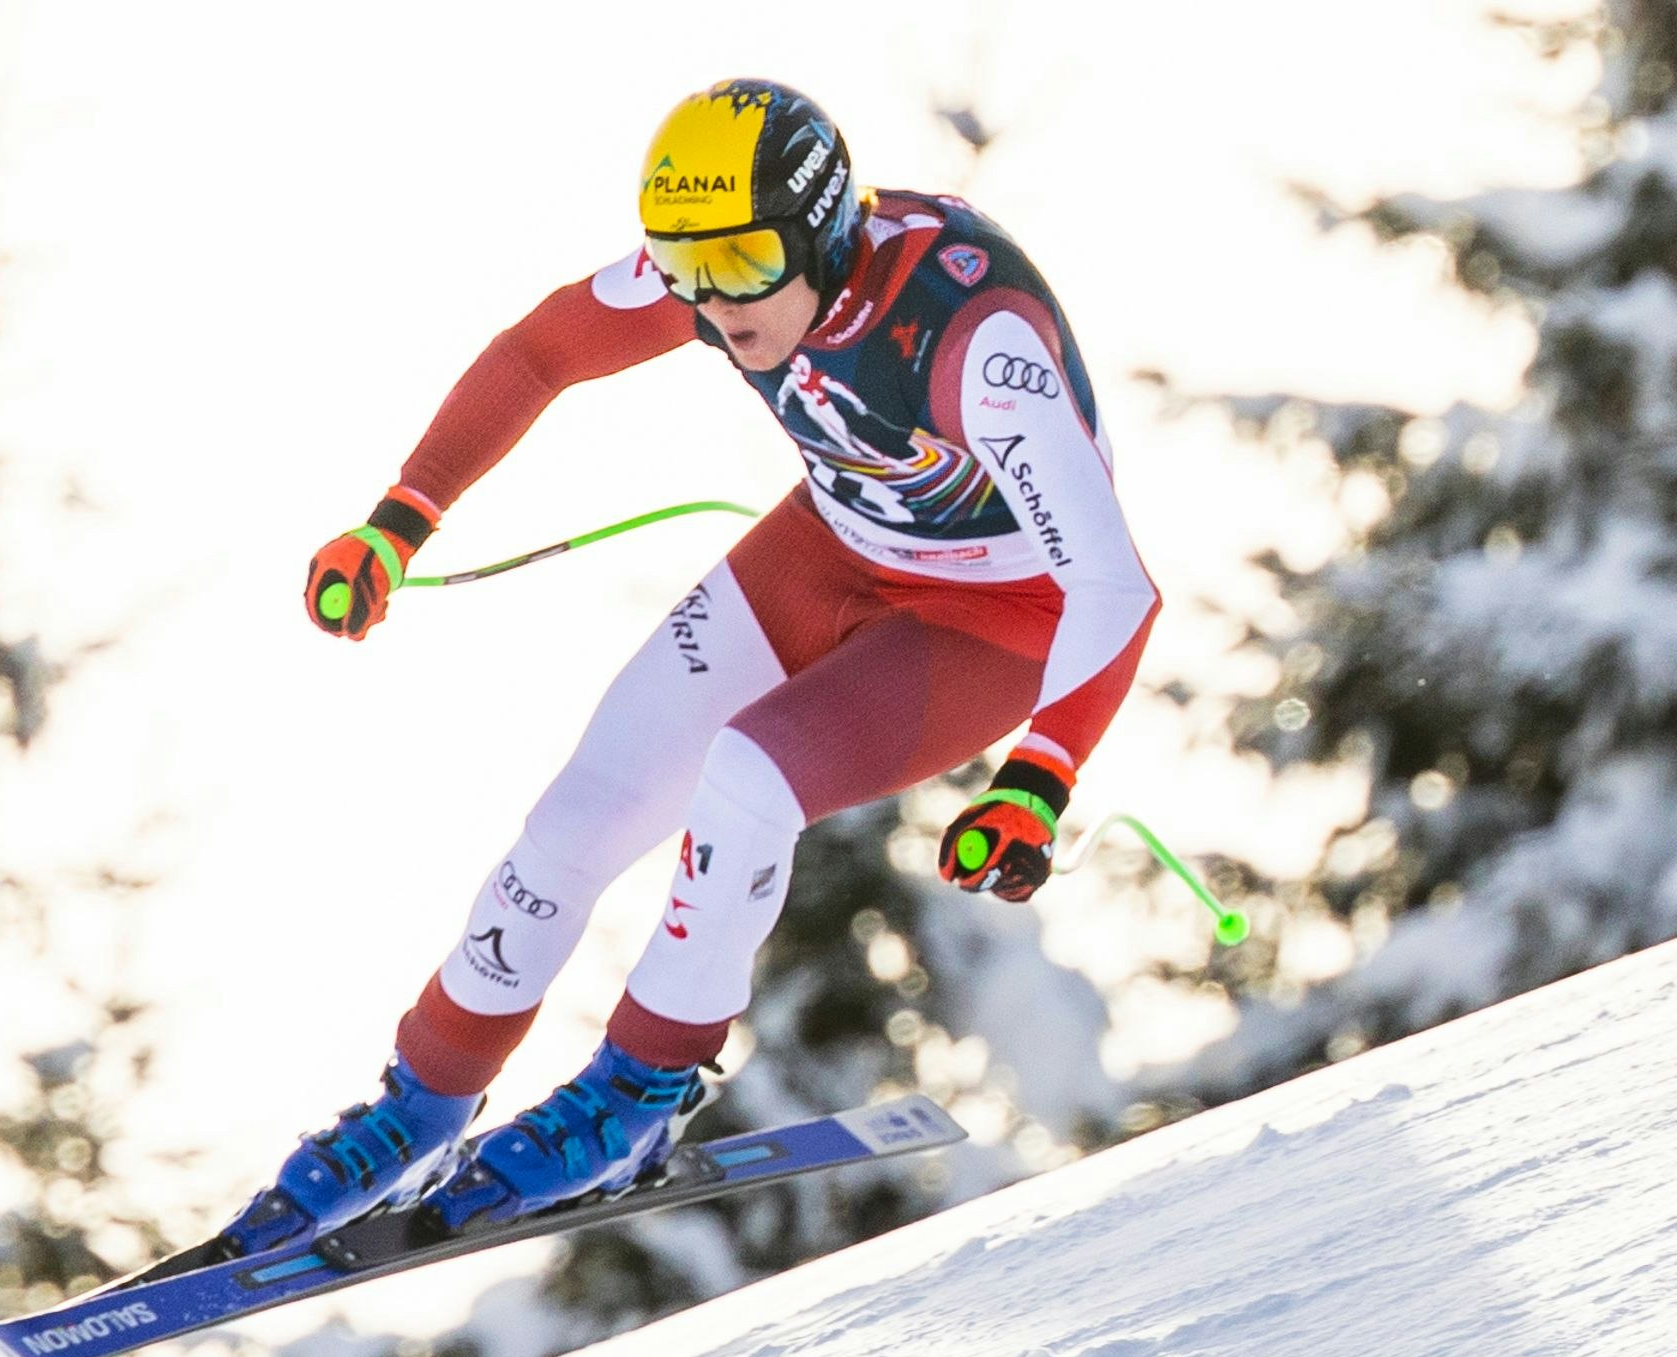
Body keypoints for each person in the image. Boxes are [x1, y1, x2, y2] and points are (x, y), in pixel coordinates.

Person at [223, 76, 1159, 1252]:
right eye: (684, 268)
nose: (714, 304)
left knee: (750, 779)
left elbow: (1115, 584)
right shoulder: (723, 271)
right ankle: (420, 1105)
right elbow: (538, 353)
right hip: (829, 549)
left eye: (742, 264)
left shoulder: (973, 335)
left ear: (821, 230)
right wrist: (400, 518)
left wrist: (1039, 775)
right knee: (578, 816)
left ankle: (638, 1091)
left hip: (990, 619)